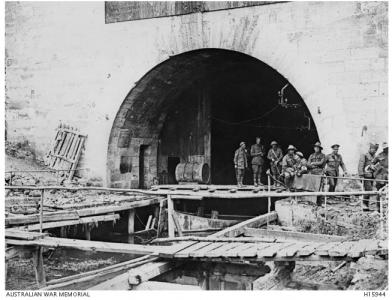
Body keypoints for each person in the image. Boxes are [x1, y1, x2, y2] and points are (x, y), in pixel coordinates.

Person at [358, 143, 378, 211]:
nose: (374, 151)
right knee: (368, 190)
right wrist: (361, 175)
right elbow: (361, 165)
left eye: (375, 150)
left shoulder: (375, 157)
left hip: (372, 176)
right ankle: (364, 204)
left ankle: (366, 205)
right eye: (373, 149)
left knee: (369, 191)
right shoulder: (364, 155)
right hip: (365, 176)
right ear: (369, 149)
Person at [372, 142, 388, 212]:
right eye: (385, 148)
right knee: (379, 192)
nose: (386, 149)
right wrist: (374, 168)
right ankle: (378, 209)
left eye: (387, 148)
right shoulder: (380, 155)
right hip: (380, 176)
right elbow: (372, 163)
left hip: (388, 176)